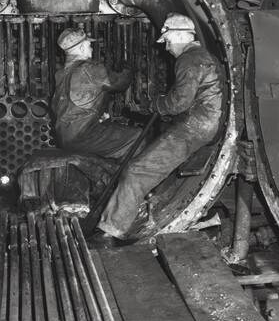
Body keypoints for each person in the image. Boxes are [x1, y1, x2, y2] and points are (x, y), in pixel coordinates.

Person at [95, 13, 223, 241]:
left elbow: (179, 102)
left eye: (168, 40)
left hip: (193, 127)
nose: (166, 47)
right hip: (202, 123)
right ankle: (130, 214)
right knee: (143, 165)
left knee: (136, 170)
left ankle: (110, 231)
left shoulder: (189, 59)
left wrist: (155, 104)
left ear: (183, 36)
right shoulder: (203, 56)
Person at [50, 27, 142, 160]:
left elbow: (58, 106)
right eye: (89, 45)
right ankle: (125, 179)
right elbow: (121, 83)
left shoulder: (60, 73)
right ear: (82, 49)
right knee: (138, 136)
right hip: (83, 135)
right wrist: (127, 69)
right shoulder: (90, 68)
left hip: (63, 136)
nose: (92, 49)